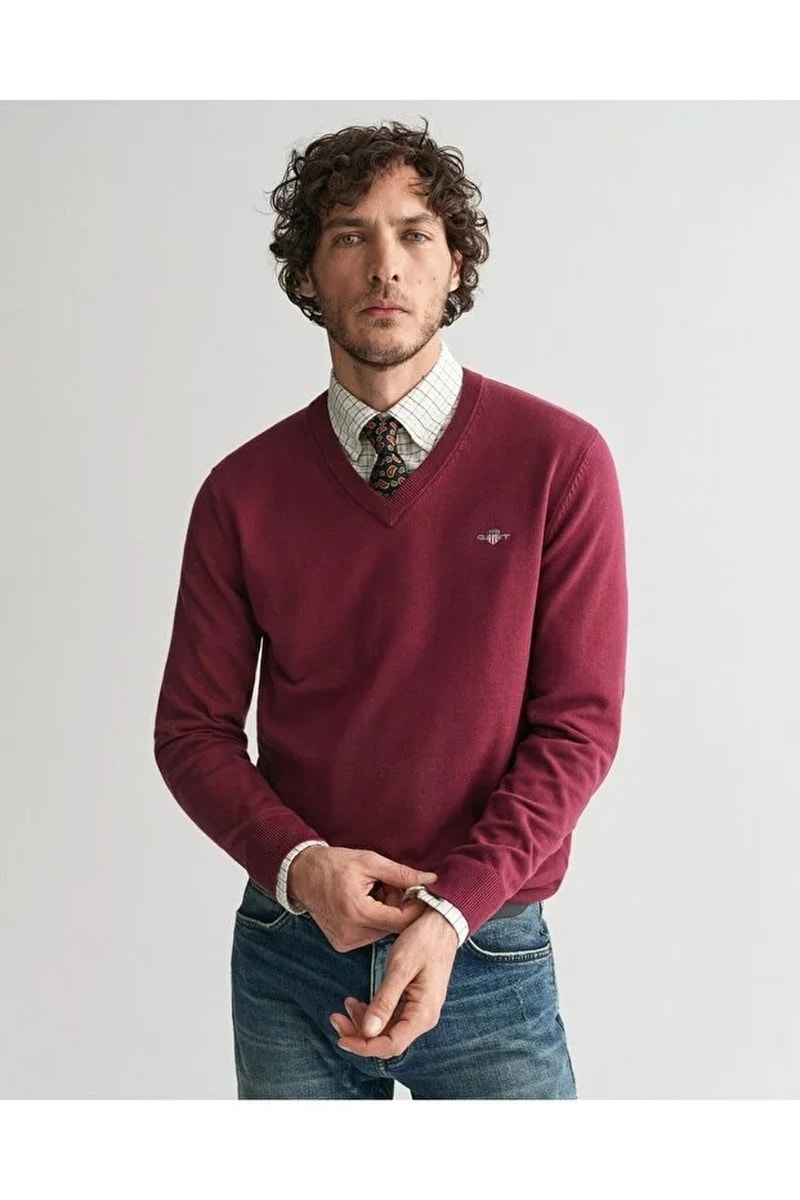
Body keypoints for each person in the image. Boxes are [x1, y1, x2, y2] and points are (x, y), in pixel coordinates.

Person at [153, 120, 628, 1100]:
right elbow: (190, 733)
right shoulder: (242, 493)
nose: (385, 265)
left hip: (486, 949)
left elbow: (578, 726)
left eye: (414, 234)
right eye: (349, 236)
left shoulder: (558, 462)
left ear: (455, 264)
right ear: (307, 275)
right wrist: (299, 866)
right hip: (292, 953)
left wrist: (452, 912)